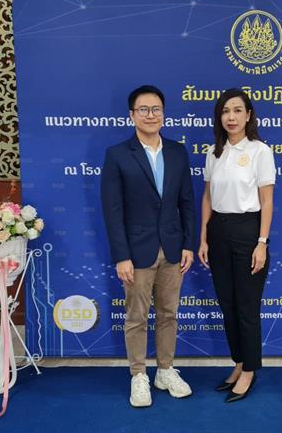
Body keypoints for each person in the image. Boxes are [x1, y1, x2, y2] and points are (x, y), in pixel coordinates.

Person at [101, 85, 195, 408]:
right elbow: (112, 211)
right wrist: (121, 256)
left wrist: (188, 244)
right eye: (143, 109)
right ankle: (138, 375)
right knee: (137, 316)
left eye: (156, 109)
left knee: (169, 313)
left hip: (173, 248)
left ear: (163, 114)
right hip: (136, 252)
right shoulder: (117, 155)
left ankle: (165, 370)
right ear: (132, 115)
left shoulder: (178, 152)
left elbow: (187, 202)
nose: (150, 115)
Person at [198, 88, 276, 403]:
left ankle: (250, 370)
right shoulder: (213, 152)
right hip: (218, 230)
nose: (231, 117)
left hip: (248, 231)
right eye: (225, 111)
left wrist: (262, 243)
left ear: (248, 115)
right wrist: (203, 237)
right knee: (227, 306)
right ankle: (239, 362)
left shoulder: (260, 151)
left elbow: (267, 201)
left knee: (246, 307)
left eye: (237, 110)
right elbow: (207, 197)